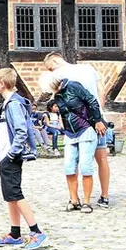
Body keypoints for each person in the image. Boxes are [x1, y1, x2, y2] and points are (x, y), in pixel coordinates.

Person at [0, 68, 49, 250]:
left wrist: (11, 153)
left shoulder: (13, 104)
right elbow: (6, 128)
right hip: (6, 156)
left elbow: (21, 131)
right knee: (10, 196)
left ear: (2, 83)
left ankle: (36, 231)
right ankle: (15, 234)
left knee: (16, 194)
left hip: (10, 156)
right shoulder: (8, 103)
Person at [44, 52, 111, 208]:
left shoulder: (59, 76)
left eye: (50, 68)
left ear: (55, 60)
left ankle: (74, 199)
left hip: (84, 123)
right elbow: (102, 92)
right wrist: (99, 115)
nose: (50, 71)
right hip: (97, 119)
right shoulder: (88, 68)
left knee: (76, 163)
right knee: (101, 159)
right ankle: (104, 196)